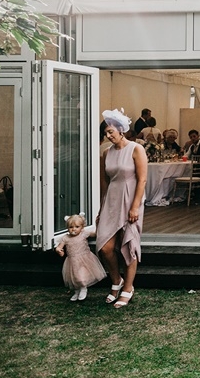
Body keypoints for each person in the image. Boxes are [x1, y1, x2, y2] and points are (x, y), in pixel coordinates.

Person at [96, 108, 147, 309]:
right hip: (112, 200)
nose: (108, 136)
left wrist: (135, 207)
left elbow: (142, 179)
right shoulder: (106, 153)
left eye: (110, 132)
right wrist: (102, 209)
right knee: (105, 247)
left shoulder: (136, 149)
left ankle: (128, 287)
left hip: (131, 200)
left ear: (120, 129)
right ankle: (116, 280)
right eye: (106, 134)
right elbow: (104, 183)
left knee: (129, 246)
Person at [55, 214, 106, 302]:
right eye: (71, 227)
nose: (74, 229)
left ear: (82, 227)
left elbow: (95, 234)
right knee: (74, 277)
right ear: (67, 228)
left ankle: (83, 288)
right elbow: (60, 246)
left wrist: (98, 226)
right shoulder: (66, 238)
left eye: (77, 227)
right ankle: (76, 291)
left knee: (81, 276)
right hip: (72, 261)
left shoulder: (83, 234)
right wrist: (59, 250)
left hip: (85, 259)